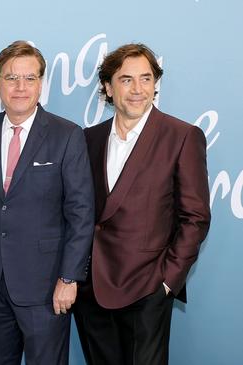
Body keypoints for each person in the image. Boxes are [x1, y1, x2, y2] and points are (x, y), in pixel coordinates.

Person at [74, 43, 211, 365]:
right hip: (91, 289)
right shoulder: (88, 139)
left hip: (146, 287)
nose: (138, 89)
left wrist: (166, 283)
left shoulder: (181, 136)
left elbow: (195, 217)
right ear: (108, 87)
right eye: (126, 80)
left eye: (146, 79)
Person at [0, 41, 95, 364]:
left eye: (29, 78)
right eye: (11, 78)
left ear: (41, 84)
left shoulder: (67, 135)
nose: (20, 87)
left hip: (46, 285)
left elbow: (81, 213)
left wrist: (69, 278)